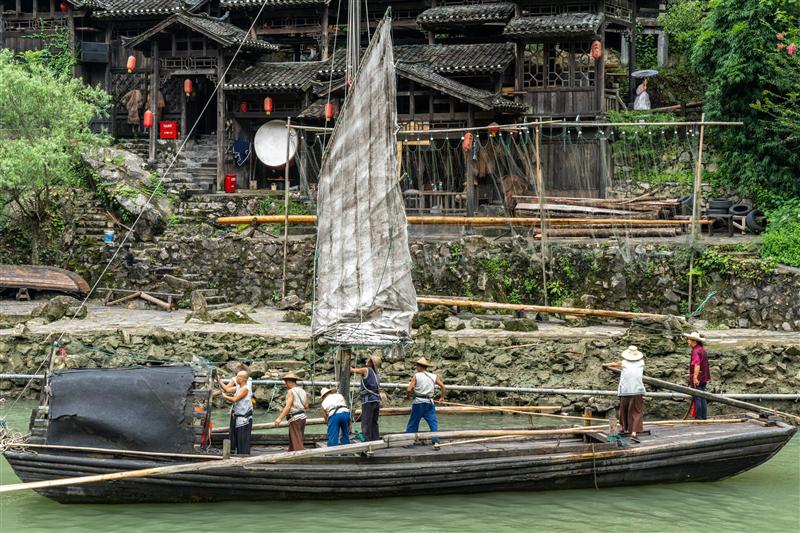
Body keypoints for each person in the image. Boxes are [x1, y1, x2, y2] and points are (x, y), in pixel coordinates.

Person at [603, 346, 646, 442]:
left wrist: (605, 365)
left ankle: (623, 428)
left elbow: (613, 364)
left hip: (625, 391)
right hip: (637, 391)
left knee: (623, 410)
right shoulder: (641, 363)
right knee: (636, 412)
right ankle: (633, 433)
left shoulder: (624, 363)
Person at [405, 357, 446, 443]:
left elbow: (409, 389)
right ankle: (435, 440)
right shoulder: (433, 376)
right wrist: (442, 398)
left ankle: (409, 441)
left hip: (418, 403)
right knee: (433, 422)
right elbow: (443, 386)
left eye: (416, 365)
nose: (416, 367)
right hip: (429, 403)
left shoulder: (416, 376)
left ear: (419, 366)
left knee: (413, 422)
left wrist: (407, 396)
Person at [215, 370, 253, 455]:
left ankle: (244, 455)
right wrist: (219, 380)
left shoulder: (245, 389)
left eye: (238, 377)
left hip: (244, 418)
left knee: (242, 439)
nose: (236, 378)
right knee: (237, 437)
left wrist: (225, 396)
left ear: (243, 379)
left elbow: (234, 399)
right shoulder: (239, 387)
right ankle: (239, 453)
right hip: (238, 415)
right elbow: (227, 389)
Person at [273, 372, 308, 451]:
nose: (285, 384)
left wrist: (279, 418)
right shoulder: (303, 391)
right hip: (302, 417)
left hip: (295, 418)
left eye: (286, 382)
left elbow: (288, 406)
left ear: (289, 381)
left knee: (296, 439)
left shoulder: (291, 391)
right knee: (297, 438)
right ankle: (291, 452)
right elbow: (306, 406)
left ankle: (300, 457)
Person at [351, 354, 382, 441]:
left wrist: (346, 366)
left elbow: (353, 370)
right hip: (376, 400)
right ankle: (375, 439)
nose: (366, 361)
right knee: (374, 422)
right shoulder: (376, 374)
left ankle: (367, 440)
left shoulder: (366, 370)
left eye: (368, 360)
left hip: (368, 401)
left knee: (366, 421)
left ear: (371, 363)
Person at [684, 331, 711, 420]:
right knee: (702, 396)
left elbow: (697, 364)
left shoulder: (695, 351)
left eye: (689, 339)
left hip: (698, 377)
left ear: (693, 341)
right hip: (704, 376)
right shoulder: (702, 349)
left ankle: (699, 417)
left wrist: (695, 378)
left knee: (697, 397)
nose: (688, 341)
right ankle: (704, 417)